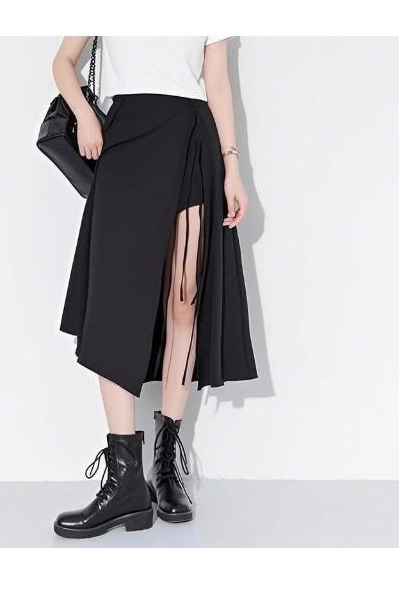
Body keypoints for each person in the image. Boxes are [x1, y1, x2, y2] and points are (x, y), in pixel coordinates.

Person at [51, 36, 257, 538]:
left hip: (191, 140)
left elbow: (217, 81)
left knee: (184, 300)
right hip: (126, 141)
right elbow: (63, 61)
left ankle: (165, 464)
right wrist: (85, 115)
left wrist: (232, 167)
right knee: (116, 302)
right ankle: (125, 481)